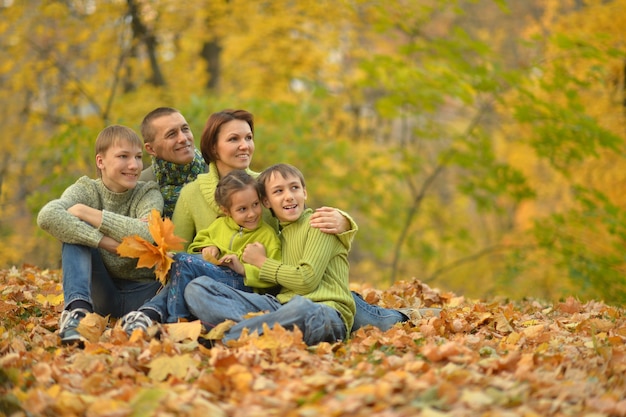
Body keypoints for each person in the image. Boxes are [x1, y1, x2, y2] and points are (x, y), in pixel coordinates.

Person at [141, 107, 432, 332]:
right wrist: (209, 252)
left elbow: (302, 218)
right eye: (234, 139)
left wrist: (344, 221)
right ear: (214, 148)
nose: (245, 146)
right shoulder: (193, 193)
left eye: (248, 138)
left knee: (355, 309)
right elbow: (180, 250)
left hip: (280, 283)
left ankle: (409, 317)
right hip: (231, 283)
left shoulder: (266, 183)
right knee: (197, 290)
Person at [185, 164, 355, 346]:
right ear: (266, 202)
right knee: (197, 289)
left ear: (304, 192)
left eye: (294, 188)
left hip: (325, 313)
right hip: (280, 309)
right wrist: (213, 247)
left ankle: (228, 338)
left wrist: (261, 262)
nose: (289, 196)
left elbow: (306, 281)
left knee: (302, 308)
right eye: (278, 191)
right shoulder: (277, 238)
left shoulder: (319, 225)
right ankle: (258, 332)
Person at [37, 125, 164, 344]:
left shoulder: (148, 193)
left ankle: (144, 320)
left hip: (145, 295)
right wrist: (106, 243)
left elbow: (146, 233)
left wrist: (86, 212)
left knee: (182, 264)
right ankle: (77, 315)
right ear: (100, 161)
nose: (134, 165)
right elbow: (47, 216)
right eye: (123, 156)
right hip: (101, 292)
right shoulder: (86, 190)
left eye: (137, 157)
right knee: (74, 236)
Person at [118, 170, 281, 334]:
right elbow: (197, 244)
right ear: (226, 210)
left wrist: (244, 269)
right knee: (181, 262)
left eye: (255, 204)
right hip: (214, 277)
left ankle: (174, 321)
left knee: (182, 260)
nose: (252, 213)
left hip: (242, 285)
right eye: (242, 209)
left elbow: (272, 278)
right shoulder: (220, 225)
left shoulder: (267, 235)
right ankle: (170, 319)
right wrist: (208, 248)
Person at [139, 107, 207, 218]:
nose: (183, 138)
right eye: (171, 134)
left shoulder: (218, 173)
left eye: (185, 129)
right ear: (151, 149)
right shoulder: (140, 186)